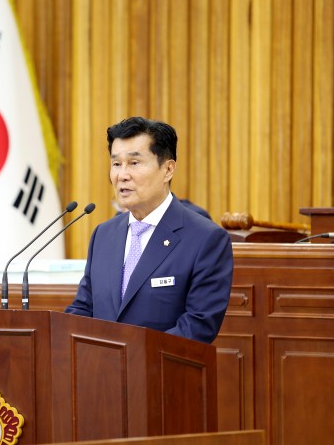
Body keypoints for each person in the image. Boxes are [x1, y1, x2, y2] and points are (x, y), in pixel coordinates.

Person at [65, 116, 233, 343]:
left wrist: (131, 357)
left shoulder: (205, 238)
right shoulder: (103, 235)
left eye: (134, 163)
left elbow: (198, 326)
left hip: (162, 365)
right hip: (102, 365)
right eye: (116, 164)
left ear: (168, 169)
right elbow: (84, 309)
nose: (122, 175)